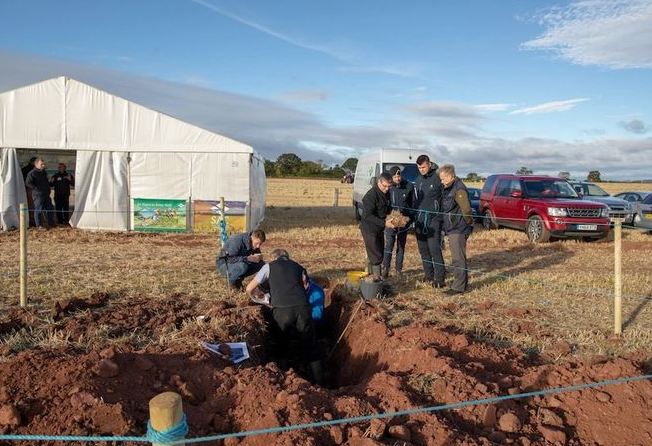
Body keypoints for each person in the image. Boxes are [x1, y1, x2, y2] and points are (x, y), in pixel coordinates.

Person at [246, 249, 323, 384]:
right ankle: (319, 381)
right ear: (288, 257)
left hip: (282, 309)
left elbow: (249, 288)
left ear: (274, 258)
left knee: (281, 343)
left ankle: (284, 379)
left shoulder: (268, 266)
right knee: (310, 344)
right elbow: (305, 287)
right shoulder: (299, 267)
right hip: (302, 307)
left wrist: (263, 299)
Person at [438, 164, 474, 295]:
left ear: (450, 176)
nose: (441, 181)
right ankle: (459, 284)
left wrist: (468, 223)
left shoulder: (458, 189)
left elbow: (466, 209)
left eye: (442, 178)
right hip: (453, 227)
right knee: (456, 257)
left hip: (458, 228)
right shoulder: (450, 187)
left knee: (458, 258)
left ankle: (459, 287)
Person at [414, 154, 445, 288]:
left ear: (430, 164)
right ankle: (428, 275)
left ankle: (440, 278)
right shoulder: (418, 179)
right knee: (423, 249)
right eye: (419, 167)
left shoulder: (438, 178)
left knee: (434, 249)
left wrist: (440, 216)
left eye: (424, 167)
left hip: (434, 219)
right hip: (420, 219)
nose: (422, 169)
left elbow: (444, 198)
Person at [382, 166, 415, 279]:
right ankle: (385, 269)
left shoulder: (409, 186)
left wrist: (409, 220)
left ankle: (398, 270)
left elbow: (413, 205)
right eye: (395, 176)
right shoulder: (388, 187)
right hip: (391, 221)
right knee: (389, 245)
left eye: (399, 175)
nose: (397, 178)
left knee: (401, 246)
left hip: (403, 222)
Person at [360, 173, 395, 280]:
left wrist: (393, 216)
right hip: (369, 229)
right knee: (376, 255)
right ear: (379, 182)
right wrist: (384, 223)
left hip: (379, 229)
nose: (387, 189)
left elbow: (387, 208)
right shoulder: (371, 196)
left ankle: (371, 277)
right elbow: (367, 216)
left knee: (378, 252)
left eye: (389, 186)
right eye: (384, 186)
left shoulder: (386, 193)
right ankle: (376, 280)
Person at [24, 158, 55, 229]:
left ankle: (51, 224)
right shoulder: (32, 173)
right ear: (36, 164)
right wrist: (36, 188)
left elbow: (46, 182)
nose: (43, 165)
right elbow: (28, 183)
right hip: (38, 195)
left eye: (43, 164)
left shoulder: (44, 172)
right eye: (41, 164)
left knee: (50, 208)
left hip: (46, 194)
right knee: (38, 209)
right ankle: (39, 225)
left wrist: (50, 181)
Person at [21, 157, 37, 226]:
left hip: (29, 189)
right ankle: (32, 220)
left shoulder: (25, 169)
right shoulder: (31, 169)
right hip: (31, 189)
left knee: (32, 205)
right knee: (32, 205)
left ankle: (32, 219)